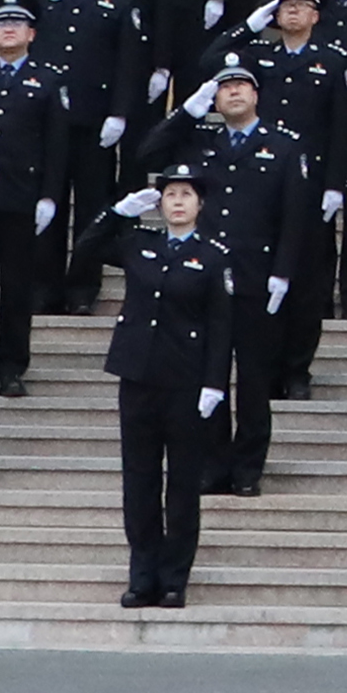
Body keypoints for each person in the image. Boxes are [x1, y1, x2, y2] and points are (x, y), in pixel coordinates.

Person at [99, 170, 248, 609]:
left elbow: (222, 325)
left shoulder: (214, 255)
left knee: (182, 486)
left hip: (185, 380)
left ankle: (173, 578)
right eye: (169, 195)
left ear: (200, 205)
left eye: (186, 195)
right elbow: (88, 248)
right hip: (139, 375)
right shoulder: (139, 244)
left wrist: (214, 383)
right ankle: (142, 573)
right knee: (139, 482)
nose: (177, 202)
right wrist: (118, 212)